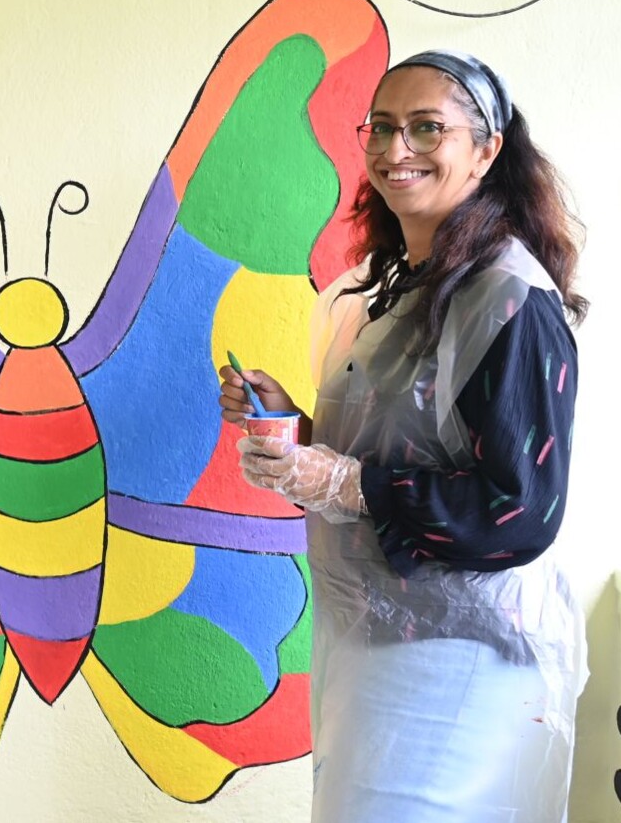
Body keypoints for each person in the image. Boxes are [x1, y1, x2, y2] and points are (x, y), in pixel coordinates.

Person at [220, 50, 588, 822]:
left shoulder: (508, 301)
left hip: (457, 660)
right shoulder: (383, 290)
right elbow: (397, 451)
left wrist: (341, 481)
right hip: (373, 639)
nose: (395, 151)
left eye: (427, 128)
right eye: (380, 128)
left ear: (486, 149)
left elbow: (519, 510)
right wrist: (299, 430)